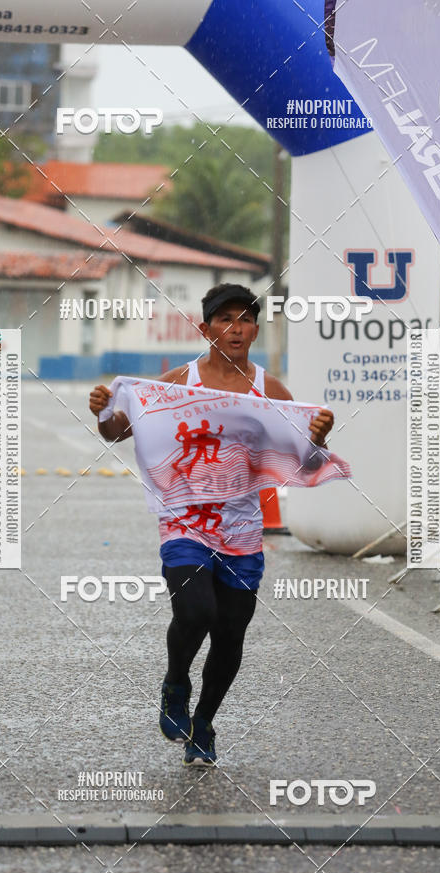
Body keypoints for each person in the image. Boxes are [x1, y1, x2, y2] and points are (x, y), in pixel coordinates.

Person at [89, 283, 334, 766]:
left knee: (230, 635)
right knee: (197, 611)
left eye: (245, 320)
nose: (236, 328)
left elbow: (305, 464)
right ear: (206, 329)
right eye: (225, 319)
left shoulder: (271, 391)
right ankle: (175, 681)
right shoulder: (181, 381)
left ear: (256, 330)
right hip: (185, 521)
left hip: (242, 531)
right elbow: (121, 430)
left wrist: (319, 440)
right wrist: (103, 413)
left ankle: (203, 723)